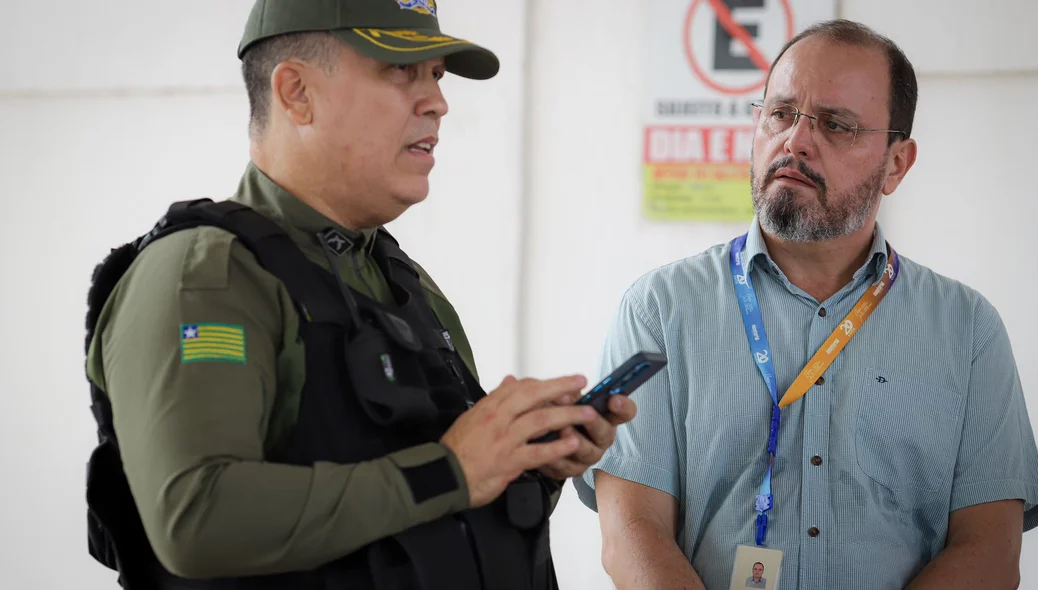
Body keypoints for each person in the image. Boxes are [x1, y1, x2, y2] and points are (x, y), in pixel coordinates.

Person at [82, 1, 636, 589]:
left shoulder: (402, 281)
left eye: (437, 74)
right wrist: (452, 470)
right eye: (400, 71)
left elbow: (431, 520)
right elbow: (196, 518)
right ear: (296, 93)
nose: (437, 102)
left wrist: (528, 467)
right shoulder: (206, 276)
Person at [573, 18, 1038, 590]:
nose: (794, 141)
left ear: (897, 163)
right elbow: (632, 533)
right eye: (781, 113)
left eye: (837, 125)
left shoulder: (968, 330)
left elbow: (990, 549)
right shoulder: (659, 311)